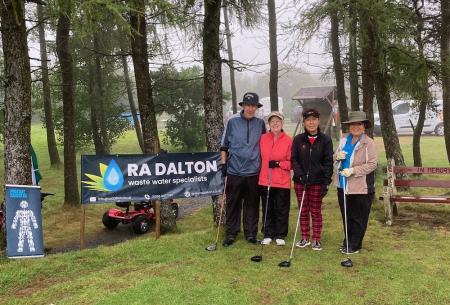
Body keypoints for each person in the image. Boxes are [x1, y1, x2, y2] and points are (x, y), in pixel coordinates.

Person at [220, 92, 266, 247]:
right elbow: (224, 145)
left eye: (253, 105)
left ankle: (251, 233)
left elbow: (264, 145)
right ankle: (231, 233)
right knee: (233, 204)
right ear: (243, 106)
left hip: (254, 171)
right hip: (234, 171)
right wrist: (223, 164)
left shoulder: (260, 123)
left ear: (256, 107)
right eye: (248, 105)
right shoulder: (232, 121)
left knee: (252, 203)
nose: (250, 108)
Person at [334, 111, 378, 254]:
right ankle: (348, 241)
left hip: (361, 187)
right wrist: (337, 156)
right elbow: (336, 156)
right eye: (353, 124)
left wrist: (353, 170)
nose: (355, 127)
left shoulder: (369, 143)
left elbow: (372, 164)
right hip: (343, 184)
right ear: (349, 126)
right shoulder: (344, 139)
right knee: (346, 215)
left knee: (358, 217)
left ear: (364, 126)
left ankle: (354, 245)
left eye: (359, 124)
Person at [291, 108, 333, 251]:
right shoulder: (298, 140)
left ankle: (316, 239)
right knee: (303, 210)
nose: (311, 123)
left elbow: (328, 162)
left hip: (317, 181)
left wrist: (326, 182)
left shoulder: (326, 140)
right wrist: (301, 174)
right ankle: (304, 237)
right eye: (308, 120)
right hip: (300, 181)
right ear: (304, 122)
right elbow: (294, 159)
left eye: (314, 120)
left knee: (315, 211)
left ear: (318, 121)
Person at [258, 111, 292, 246]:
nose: (275, 124)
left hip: (282, 181)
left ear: (282, 123)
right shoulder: (262, 139)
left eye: (278, 121)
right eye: (272, 122)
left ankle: (280, 234)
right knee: (267, 207)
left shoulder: (289, 140)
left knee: (281, 208)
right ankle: (267, 233)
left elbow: (292, 163)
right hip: (265, 179)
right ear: (269, 124)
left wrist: (279, 164)